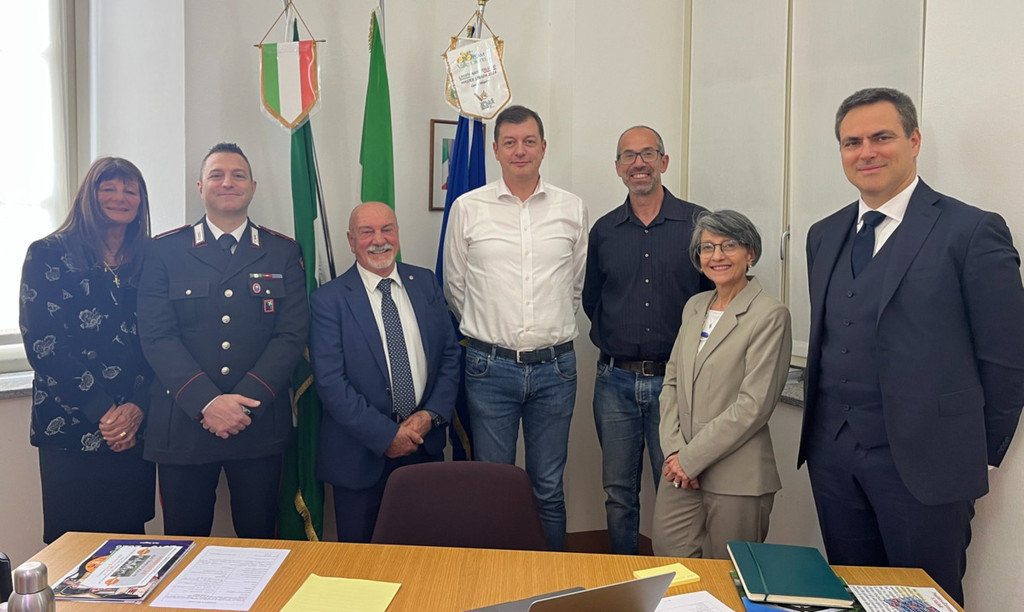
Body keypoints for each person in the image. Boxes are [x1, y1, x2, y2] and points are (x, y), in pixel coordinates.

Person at [800, 87, 1024, 605]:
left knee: (924, 599)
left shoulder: (971, 231)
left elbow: (1007, 357)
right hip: (834, 457)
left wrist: (980, 454)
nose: (866, 152)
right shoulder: (823, 234)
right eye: (852, 142)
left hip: (929, 462)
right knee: (853, 593)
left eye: (882, 137)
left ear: (914, 141)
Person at [138, 142, 308, 538]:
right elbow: (157, 335)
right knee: (184, 541)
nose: (227, 182)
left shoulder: (282, 251)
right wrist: (207, 403)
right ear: (200, 187)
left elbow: (291, 334)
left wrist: (244, 403)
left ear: (253, 187)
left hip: (258, 423)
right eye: (217, 175)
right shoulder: (164, 251)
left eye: (238, 175)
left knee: (260, 540)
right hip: (184, 422)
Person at [443, 105, 588, 551]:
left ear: (543, 147)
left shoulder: (571, 208)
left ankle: (552, 580)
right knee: (494, 486)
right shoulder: (469, 208)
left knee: (548, 487)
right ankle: (496, 580)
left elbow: (574, 285)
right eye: (510, 142)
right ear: (496, 150)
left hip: (555, 370)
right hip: (490, 368)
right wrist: (495, 328)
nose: (519, 151)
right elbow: (455, 287)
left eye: (528, 142)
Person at [582, 125, 711, 555]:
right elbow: (593, 299)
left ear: (664, 162)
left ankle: (678, 580)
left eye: (648, 154)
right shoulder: (604, 230)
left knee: (677, 489)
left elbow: (714, 297)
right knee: (618, 492)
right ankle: (623, 574)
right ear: (618, 168)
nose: (639, 164)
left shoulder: (697, 224)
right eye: (629, 156)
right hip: (614, 382)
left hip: (676, 384)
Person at [19, 156, 155, 543]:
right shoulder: (47, 253)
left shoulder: (150, 258)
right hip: (70, 425)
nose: (120, 197)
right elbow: (44, 345)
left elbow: (161, 338)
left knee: (131, 545)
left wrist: (137, 408)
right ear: (87, 196)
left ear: (141, 201)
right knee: (74, 549)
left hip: (134, 427)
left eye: (130, 190)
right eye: (108, 188)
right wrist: (105, 412)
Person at [310, 202, 460, 542]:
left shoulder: (425, 282)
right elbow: (331, 383)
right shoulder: (328, 299)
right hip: (360, 457)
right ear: (351, 241)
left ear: (398, 233)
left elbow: (450, 357)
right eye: (367, 232)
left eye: (387, 229)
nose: (379, 240)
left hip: (424, 447)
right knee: (362, 562)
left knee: (425, 555)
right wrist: (387, 436)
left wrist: (429, 417)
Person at [652, 209, 792, 560]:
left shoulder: (770, 315)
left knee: (730, 576)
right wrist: (674, 453)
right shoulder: (694, 306)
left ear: (750, 253)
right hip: (680, 471)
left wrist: (691, 459)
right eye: (707, 247)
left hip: (737, 477)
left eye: (729, 245)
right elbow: (671, 384)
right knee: (669, 561)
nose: (717, 255)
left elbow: (753, 406)